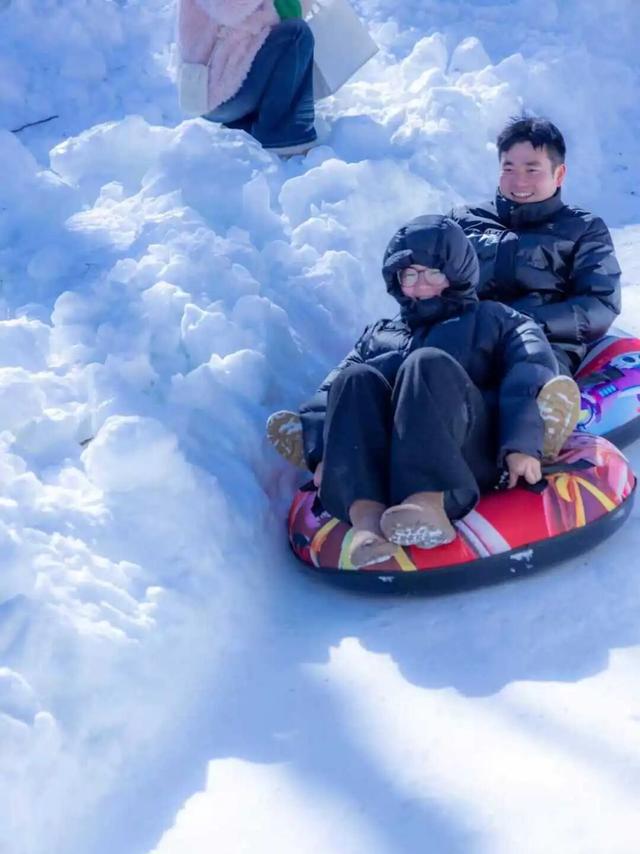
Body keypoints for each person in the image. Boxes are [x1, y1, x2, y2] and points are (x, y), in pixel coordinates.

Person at [267, 215, 581, 568]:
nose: (420, 285)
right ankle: (367, 521)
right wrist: (321, 451)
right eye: (409, 275)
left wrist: (521, 442)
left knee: (425, 363)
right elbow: (332, 389)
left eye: (432, 272)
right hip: (389, 462)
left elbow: (530, 371)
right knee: (354, 378)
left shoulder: (497, 319)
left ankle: (428, 501)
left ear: (457, 272)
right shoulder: (380, 335)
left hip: (467, 451)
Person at [450, 116, 621, 376]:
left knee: (526, 378)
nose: (519, 182)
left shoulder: (583, 229)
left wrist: (526, 321)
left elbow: (599, 304)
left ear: (559, 173)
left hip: (543, 346)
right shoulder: (463, 221)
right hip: (466, 339)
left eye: (532, 170)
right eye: (509, 169)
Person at [177, 0, 317, 156]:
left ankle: (248, 124)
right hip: (213, 93)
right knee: (295, 34)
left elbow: (289, 16)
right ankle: (282, 137)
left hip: (230, 89)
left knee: (291, 35)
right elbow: (229, 10)